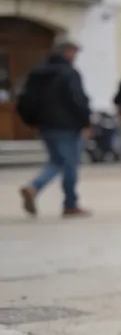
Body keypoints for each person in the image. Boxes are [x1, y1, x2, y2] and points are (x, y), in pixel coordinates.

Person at [16, 39, 92, 217]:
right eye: (74, 53)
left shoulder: (36, 74)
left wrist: (31, 121)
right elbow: (77, 100)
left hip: (45, 126)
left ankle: (34, 188)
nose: (75, 57)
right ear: (67, 53)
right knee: (69, 164)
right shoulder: (69, 73)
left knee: (57, 161)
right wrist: (86, 121)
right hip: (68, 126)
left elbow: (25, 100)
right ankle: (70, 204)